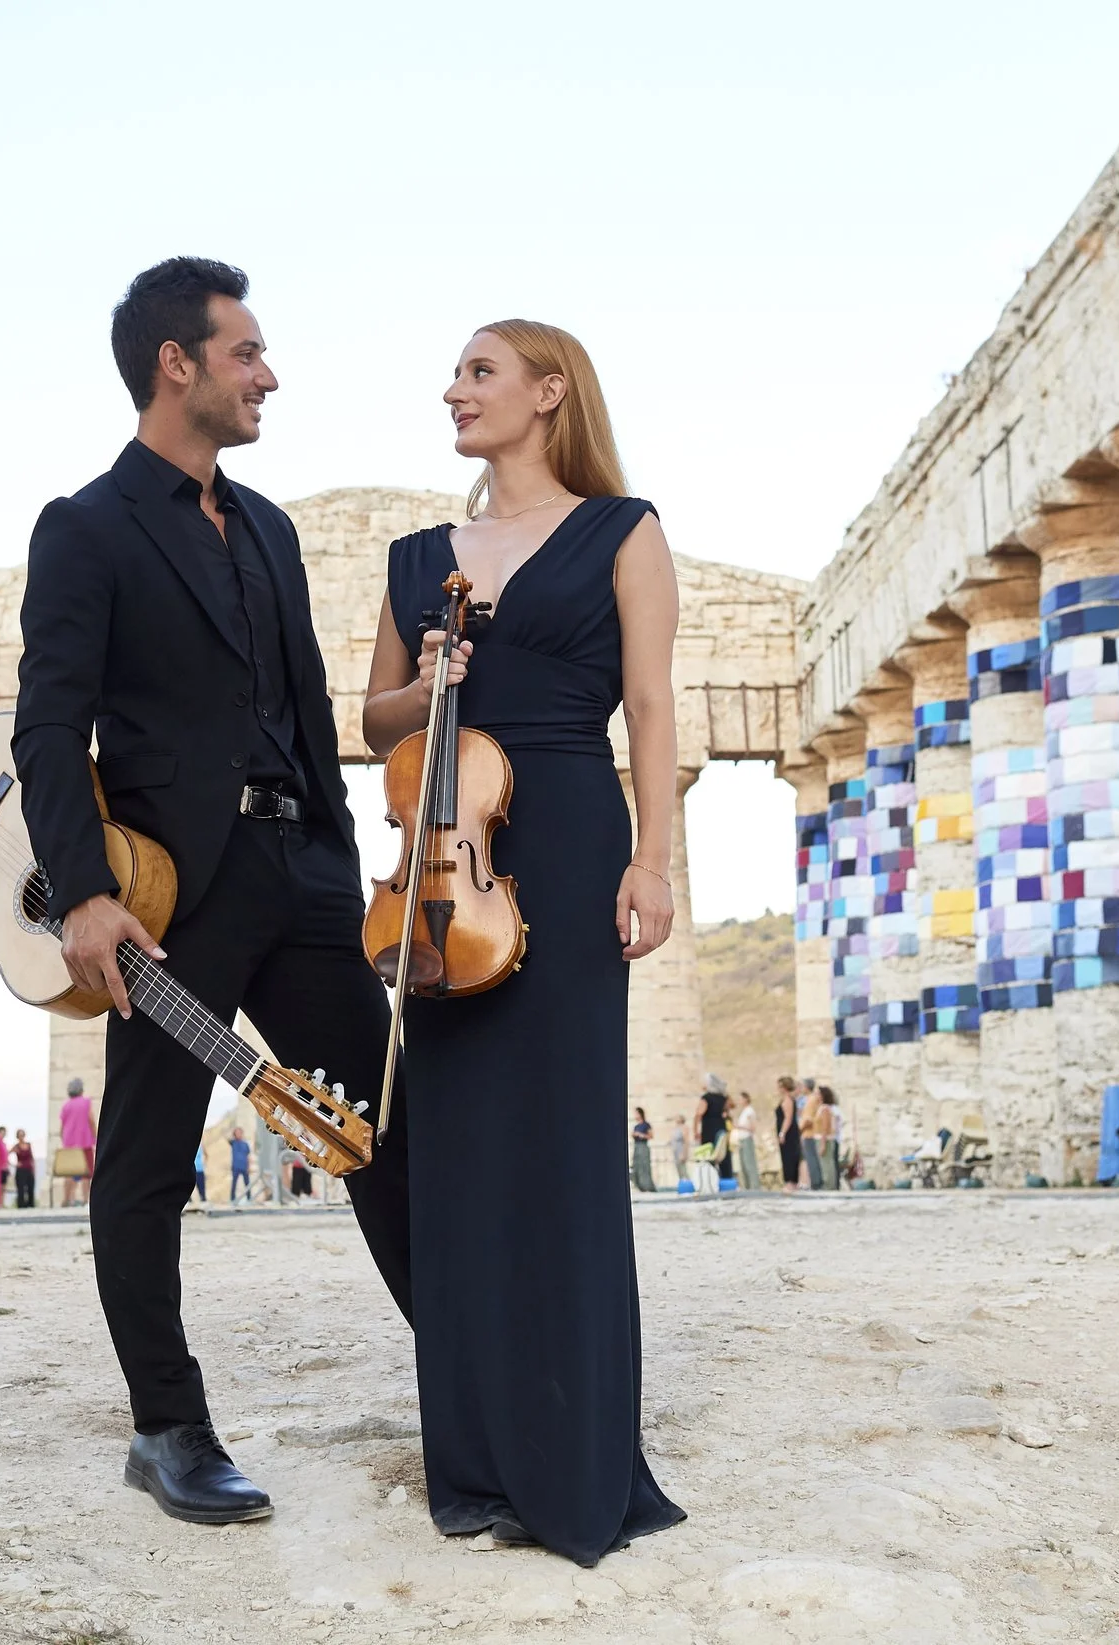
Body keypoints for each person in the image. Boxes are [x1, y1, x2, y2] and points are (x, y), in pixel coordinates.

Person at [11, 259, 412, 1525]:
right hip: (171, 899)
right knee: (144, 1166)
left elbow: (306, 715)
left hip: (299, 875)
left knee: (386, 1128)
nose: (269, 374)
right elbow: (44, 731)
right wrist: (82, 893)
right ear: (175, 363)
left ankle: (468, 1375)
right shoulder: (83, 528)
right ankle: (167, 1425)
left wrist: (341, 875)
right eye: (246, 351)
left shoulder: (276, 532)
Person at [361, 318, 684, 1566]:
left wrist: (650, 859)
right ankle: (478, 1464)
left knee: (561, 1150)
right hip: (445, 857)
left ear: (549, 393)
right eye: (455, 375)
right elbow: (371, 715)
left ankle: (577, 1459)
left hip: (564, 833)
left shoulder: (624, 530)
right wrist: (427, 676)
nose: (455, 390)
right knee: (457, 1164)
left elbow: (650, 706)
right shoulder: (411, 557)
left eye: (479, 371)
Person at [56, 1078, 96, 1210]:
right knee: (87, 1173)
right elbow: (91, 1120)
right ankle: (86, 1199)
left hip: (69, 1143)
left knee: (69, 1172)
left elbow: (62, 1126)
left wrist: (64, 1139)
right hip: (84, 1141)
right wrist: (95, 1136)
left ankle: (67, 1199)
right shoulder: (86, 1102)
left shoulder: (66, 1105)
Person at [728, 1090, 761, 1192]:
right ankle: (747, 1185)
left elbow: (752, 1127)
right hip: (741, 1139)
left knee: (749, 1162)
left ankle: (754, 1186)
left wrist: (739, 1126)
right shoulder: (744, 1112)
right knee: (743, 1163)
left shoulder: (750, 1111)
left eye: (741, 1099)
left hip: (747, 1138)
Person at [775, 1075, 802, 1192]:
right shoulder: (787, 1099)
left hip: (789, 1133)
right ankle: (790, 1181)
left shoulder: (788, 1100)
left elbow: (788, 1118)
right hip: (787, 1131)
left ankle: (791, 1182)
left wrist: (782, 1133)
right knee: (787, 1155)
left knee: (789, 1156)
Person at [629, 1106, 655, 1193]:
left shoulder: (646, 1125)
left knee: (644, 1166)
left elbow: (651, 1136)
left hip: (643, 1146)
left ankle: (647, 1186)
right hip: (637, 1147)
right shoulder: (636, 1126)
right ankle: (639, 1186)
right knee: (636, 1166)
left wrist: (640, 1135)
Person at [11, 1127, 37, 1209]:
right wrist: (14, 1164)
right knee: (21, 1189)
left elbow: (32, 1158)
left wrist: (34, 1169)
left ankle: (31, 1205)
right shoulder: (16, 1146)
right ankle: (21, 1205)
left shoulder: (28, 1145)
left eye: (22, 1135)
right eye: (20, 1135)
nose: (21, 1137)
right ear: (17, 1136)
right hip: (20, 1170)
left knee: (30, 1187)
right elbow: (6, 1155)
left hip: (29, 1169)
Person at [228, 1126, 252, 1203]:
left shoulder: (245, 1144)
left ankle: (249, 1199)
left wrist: (249, 1167)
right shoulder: (233, 1142)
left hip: (244, 1166)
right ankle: (232, 1199)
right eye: (236, 1133)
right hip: (235, 1166)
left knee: (247, 1183)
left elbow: (248, 1156)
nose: (238, 1134)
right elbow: (226, 1137)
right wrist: (233, 1133)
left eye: (239, 1132)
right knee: (234, 1183)